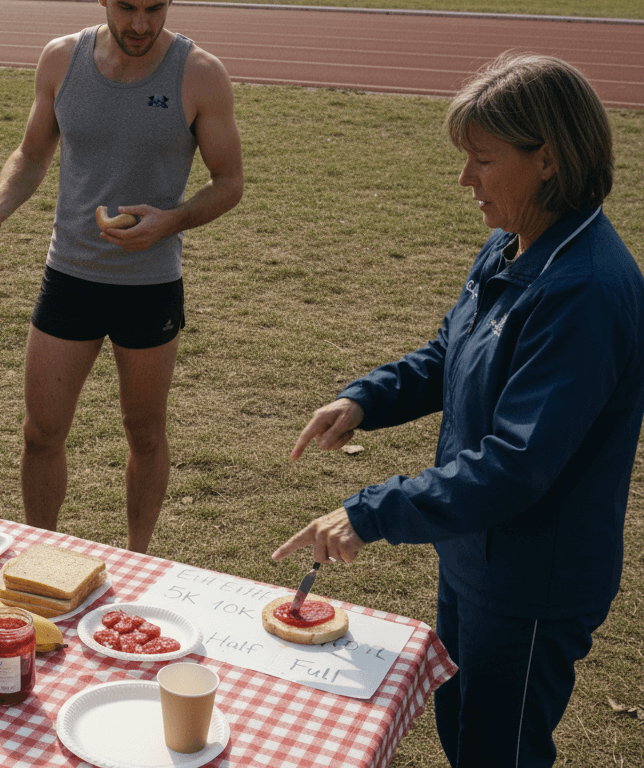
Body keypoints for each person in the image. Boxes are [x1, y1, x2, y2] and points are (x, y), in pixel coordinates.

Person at [274, 53, 642, 767]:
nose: (464, 179)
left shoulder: (585, 291)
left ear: (548, 160)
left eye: (482, 160)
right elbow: (452, 351)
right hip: (475, 555)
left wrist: (370, 510)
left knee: (498, 751)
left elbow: (516, 465)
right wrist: (365, 398)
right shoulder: (513, 243)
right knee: (463, 726)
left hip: (532, 580)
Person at [0, 0, 243, 553]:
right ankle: (40, 553)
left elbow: (228, 182)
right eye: (127, 7)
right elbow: (32, 155)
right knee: (40, 435)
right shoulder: (62, 59)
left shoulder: (199, 73)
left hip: (150, 284)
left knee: (146, 432)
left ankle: (137, 556)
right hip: (71, 276)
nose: (139, 24)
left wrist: (171, 221)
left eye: (154, 8)